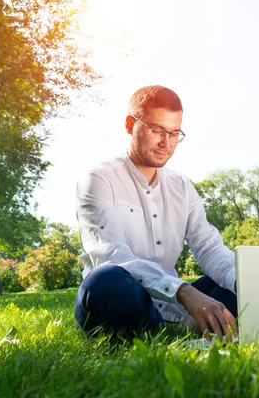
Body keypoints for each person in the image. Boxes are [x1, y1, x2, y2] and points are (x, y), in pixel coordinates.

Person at [73, 85, 238, 341]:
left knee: (238, 282)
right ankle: (162, 330)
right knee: (105, 279)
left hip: (173, 304)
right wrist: (182, 290)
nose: (166, 143)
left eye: (174, 133)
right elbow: (111, 256)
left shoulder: (181, 186)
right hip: (120, 298)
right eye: (156, 130)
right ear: (130, 124)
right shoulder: (99, 179)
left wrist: (245, 283)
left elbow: (209, 247)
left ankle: (177, 328)